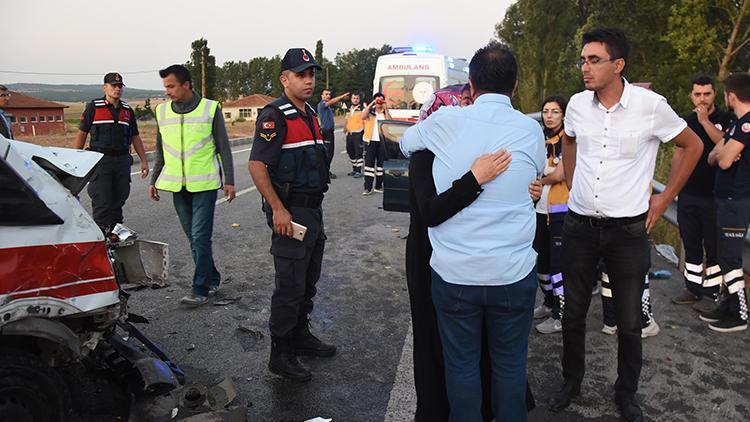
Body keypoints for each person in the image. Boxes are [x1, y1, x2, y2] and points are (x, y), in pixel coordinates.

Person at [551, 28, 702, 422]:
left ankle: (626, 393)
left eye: (594, 59)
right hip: (580, 226)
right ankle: (571, 383)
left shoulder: (651, 106)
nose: (585, 67)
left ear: (618, 65)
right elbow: (568, 141)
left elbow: (693, 145)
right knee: (573, 314)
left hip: (627, 232)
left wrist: (664, 197)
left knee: (630, 321)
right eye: (583, 59)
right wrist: (571, 181)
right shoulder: (578, 107)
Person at [401, 42, 545, 422]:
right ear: (515, 86)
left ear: (470, 86)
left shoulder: (445, 123)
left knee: (461, 369)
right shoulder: (530, 131)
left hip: (456, 276)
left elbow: (405, 142)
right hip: (513, 275)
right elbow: (533, 178)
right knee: (510, 368)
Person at [248, 48, 336, 383]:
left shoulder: (310, 113)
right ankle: (280, 354)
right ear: (285, 79)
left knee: (307, 280)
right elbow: (257, 165)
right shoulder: (276, 115)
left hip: (312, 210)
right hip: (292, 211)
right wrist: (279, 209)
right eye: (301, 74)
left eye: (311, 74)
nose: (309, 80)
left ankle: (300, 336)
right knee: (289, 285)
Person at [149, 64, 235, 306]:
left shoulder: (210, 108)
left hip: (205, 185)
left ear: (186, 84)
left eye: (171, 86)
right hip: (177, 186)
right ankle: (212, 278)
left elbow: (224, 147)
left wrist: (229, 180)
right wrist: (155, 179)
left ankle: (199, 289)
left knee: (199, 237)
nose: (167, 91)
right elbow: (161, 149)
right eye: (165, 86)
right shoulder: (162, 112)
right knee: (194, 238)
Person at [671, 76, 735, 308]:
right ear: (691, 95)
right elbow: (678, 155)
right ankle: (692, 288)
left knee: (714, 247)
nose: (702, 98)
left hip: (715, 196)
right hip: (689, 194)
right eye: (697, 94)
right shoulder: (686, 122)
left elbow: (727, 145)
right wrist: (671, 189)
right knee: (691, 243)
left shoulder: (727, 119)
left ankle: (713, 291)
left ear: (714, 95)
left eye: (706, 94)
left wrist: (705, 121)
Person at [74, 73, 149, 236]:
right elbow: (82, 133)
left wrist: (143, 160)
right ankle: (100, 236)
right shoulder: (94, 107)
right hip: (101, 161)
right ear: (105, 87)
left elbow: (135, 136)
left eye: (119, 86)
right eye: (113, 85)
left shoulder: (128, 111)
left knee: (119, 198)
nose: (117, 89)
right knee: (102, 199)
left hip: (122, 161)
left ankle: (115, 233)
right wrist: (76, 158)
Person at [704, 71, 750, 333]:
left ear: (731, 96)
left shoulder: (746, 124)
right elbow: (714, 156)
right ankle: (727, 305)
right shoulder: (736, 123)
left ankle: (740, 313)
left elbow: (720, 160)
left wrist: (725, 153)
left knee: (731, 258)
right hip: (724, 198)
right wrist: (726, 152)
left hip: (736, 199)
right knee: (724, 255)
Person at [533, 95, 570, 335]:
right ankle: (548, 302)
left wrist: (539, 179)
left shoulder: (569, 140)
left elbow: (560, 175)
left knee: (558, 267)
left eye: (555, 111)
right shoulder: (540, 139)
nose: (549, 116)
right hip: (540, 210)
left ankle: (561, 315)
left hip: (560, 212)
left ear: (564, 115)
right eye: (546, 111)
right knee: (541, 263)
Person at [361, 92, 391, 195]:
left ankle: (378, 186)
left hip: (382, 142)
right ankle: (367, 188)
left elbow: (390, 122)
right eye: (377, 100)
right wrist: (371, 104)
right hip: (370, 141)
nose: (379, 102)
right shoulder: (371, 112)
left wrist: (386, 108)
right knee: (369, 165)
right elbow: (362, 116)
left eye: (381, 100)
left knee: (380, 165)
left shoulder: (384, 113)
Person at [318, 88, 349, 178]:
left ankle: (325, 170)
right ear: (322, 96)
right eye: (326, 94)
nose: (328, 96)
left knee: (329, 152)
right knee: (328, 153)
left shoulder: (327, 107)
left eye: (329, 94)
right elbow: (331, 102)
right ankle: (325, 172)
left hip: (329, 131)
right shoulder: (322, 104)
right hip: (326, 131)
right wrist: (342, 96)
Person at [344, 92, 365, 177]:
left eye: (357, 98)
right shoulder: (350, 108)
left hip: (358, 133)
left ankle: (359, 170)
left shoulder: (362, 109)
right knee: (350, 151)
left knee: (358, 152)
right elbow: (347, 120)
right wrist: (345, 129)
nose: (355, 100)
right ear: (351, 99)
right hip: (350, 133)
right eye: (354, 98)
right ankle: (354, 168)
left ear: (359, 99)